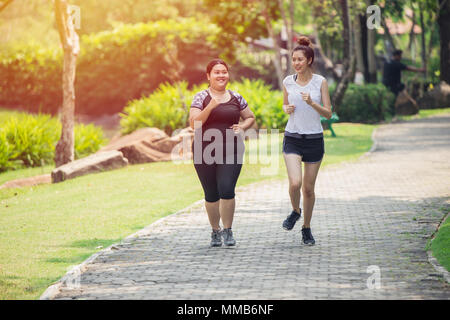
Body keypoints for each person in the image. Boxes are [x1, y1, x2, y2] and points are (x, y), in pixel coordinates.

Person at [189, 59, 255, 247]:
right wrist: (210, 107)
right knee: (211, 193)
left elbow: (250, 117)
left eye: (224, 72)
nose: (221, 75)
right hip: (204, 150)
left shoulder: (236, 97)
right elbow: (194, 124)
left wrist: (242, 126)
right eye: (216, 72)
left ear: (228, 74)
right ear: (208, 76)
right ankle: (215, 231)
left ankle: (228, 230)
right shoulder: (200, 97)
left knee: (226, 188)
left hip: (231, 149)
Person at [281, 36, 332, 245]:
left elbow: (328, 113)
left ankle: (306, 228)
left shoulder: (320, 82)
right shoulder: (287, 82)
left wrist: (312, 103)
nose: (296, 63)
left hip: (314, 139)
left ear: (309, 60)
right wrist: (286, 109)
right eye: (294, 59)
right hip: (292, 136)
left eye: (300, 59)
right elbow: (285, 106)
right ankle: (295, 211)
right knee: (295, 183)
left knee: (308, 189)